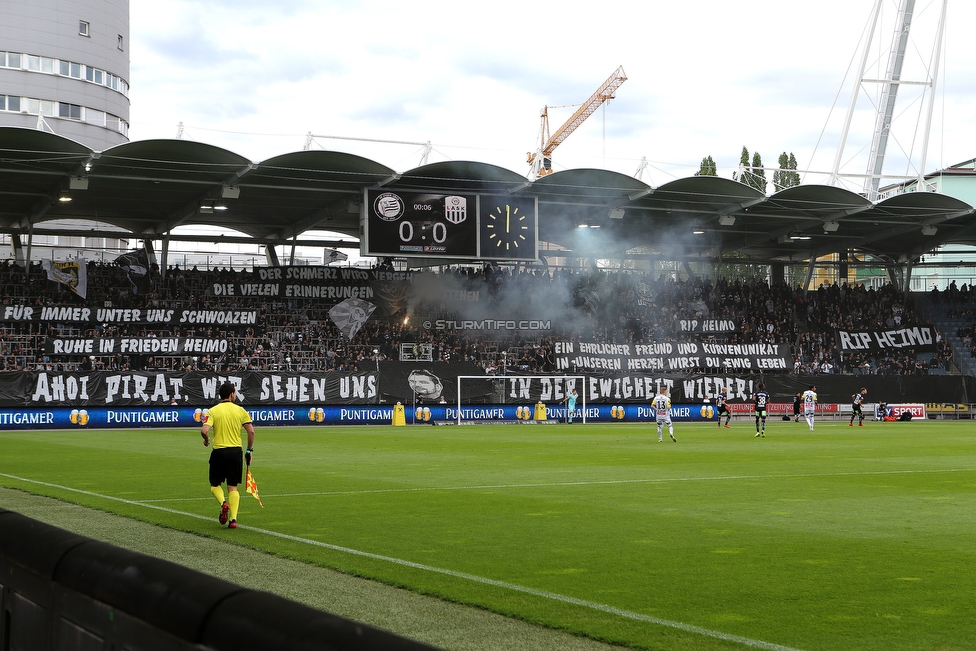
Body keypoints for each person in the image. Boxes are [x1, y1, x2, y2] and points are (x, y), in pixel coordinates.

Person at [200, 381, 255, 529]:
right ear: (231, 394)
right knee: (233, 487)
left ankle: (223, 503)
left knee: (215, 485)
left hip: (219, 451)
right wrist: (249, 450)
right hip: (235, 452)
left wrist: (206, 440)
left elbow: (204, 430)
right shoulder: (240, 410)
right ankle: (233, 519)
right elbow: (251, 431)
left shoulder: (212, 411)